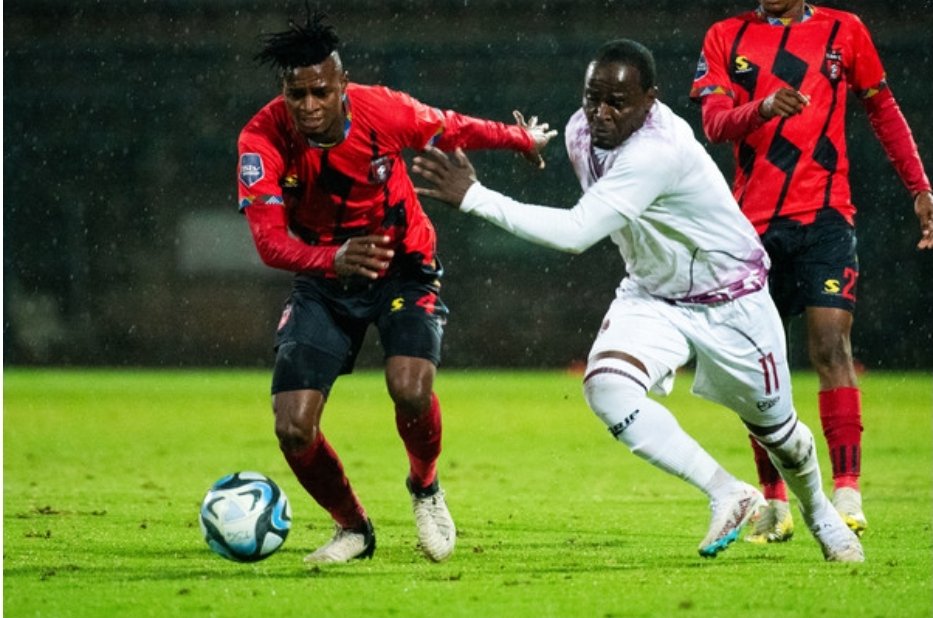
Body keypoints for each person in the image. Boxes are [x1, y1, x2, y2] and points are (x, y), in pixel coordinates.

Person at [413, 38, 864, 562]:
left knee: (780, 435)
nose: (600, 113)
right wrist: (524, 141)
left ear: (651, 99)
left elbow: (576, 233)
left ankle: (818, 513)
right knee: (606, 387)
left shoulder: (658, 151)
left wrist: (475, 197)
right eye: (592, 98)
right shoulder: (583, 129)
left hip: (732, 302)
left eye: (617, 103)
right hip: (652, 295)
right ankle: (728, 491)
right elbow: (580, 150)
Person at [236, 10, 556, 564]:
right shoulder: (261, 138)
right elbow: (268, 243)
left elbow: (454, 126)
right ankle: (354, 528)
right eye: (297, 95)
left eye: (320, 92)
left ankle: (425, 487)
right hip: (324, 277)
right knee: (292, 427)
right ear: (283, 92)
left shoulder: (382, 109)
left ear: (342, 86)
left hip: (402, 265)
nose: (309, 106)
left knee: (410, 387)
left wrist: (519, 138)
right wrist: (332, 259)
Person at [690, 0, 933, 543]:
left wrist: (919, 185)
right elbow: (713, 123)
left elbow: (884, 110)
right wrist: (763, 108)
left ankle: (846, 489)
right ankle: (774, 502)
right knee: (758, 368)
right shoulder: (726, 37)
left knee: (832, 347)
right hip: (751, 227)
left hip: (826, 216)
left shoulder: (845, 31)